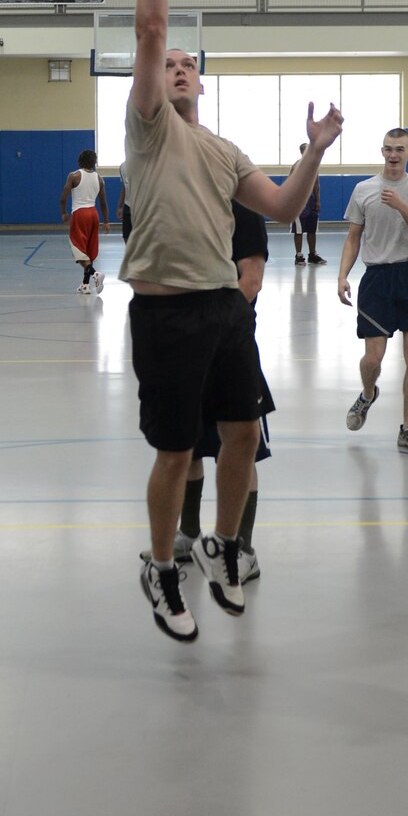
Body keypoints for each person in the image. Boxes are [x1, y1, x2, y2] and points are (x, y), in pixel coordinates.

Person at [121, 0, 342, 644]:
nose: (178, 68)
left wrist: (312, 150)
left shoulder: (223, 150)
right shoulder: (148, 130)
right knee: (176, 449)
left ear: (204, 85)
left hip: (222, 308)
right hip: (166, 312)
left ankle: (221, 544)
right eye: (170, 64)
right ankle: (159, 566)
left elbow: (281, 208)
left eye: (190, 66)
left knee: (242, 433)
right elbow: (150, 29)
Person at [167, 199, 272, 584]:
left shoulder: (243, 212)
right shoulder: (186, 209)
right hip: (187, 348)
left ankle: (241, 549)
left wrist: (210, 324)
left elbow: (251, 280)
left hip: (230, 346)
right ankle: (189, 534)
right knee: (189, 445)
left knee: (242, 450)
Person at [338, 129, 408, 455]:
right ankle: (368, 393)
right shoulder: (364, 189)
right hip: (377, 278)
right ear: (382, 151)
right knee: (373, 358)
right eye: (388, 149)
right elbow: (353, 237)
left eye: (400, 149)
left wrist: (401, 206)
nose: (394, 155)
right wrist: (342, 275)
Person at [60, 148, 108, 295]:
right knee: (88, 249)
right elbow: (103, 203)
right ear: (94, 162)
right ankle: (86, 285)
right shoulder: (99, 179)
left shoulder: (74, 176)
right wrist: (106, 221)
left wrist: (63, 212)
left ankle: (95, 274)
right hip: (93, 214)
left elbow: (63, 197)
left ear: (80, 160)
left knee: (78, 248)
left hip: (80, 214)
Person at [288, 143, 325, 265]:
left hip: (311, 201)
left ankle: (312, 254)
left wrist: (318, 200)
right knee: (299, 229)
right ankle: (298, 255)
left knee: (312, 228)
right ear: (302, 152)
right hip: (299, 201)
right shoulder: (297, 165)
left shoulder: (314, 165)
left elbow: (316, 183)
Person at [115, 161, 133, 246]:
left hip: (141, 206)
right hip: (127, 205)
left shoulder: (143, 164)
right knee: (126, 236)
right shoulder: (122, 166)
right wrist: (119, 206)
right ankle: (131, 256)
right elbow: (124, 188)